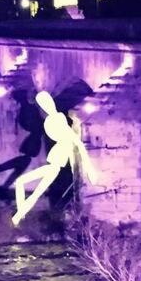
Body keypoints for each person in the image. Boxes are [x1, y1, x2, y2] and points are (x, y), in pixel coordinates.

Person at [12, 90, 96, 226]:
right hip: (55, 160)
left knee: (26, 185)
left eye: (45, 102)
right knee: (30, 188)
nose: (44, 106)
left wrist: (89, 169)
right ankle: (19, 217)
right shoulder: (50, 120)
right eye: (41, 104)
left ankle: (19, 217)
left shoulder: (57, 118)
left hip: (57, 161)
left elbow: (76, 141)